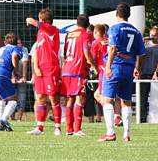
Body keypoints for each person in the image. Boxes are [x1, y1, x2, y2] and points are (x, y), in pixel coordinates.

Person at [99, 3, 145, 142]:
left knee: (107, 99)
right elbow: (142, 54)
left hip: (116, 66)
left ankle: (110, 133)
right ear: (128, 15)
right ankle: (126, 134)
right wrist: (137, 68)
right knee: (126, 101)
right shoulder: (136, 31)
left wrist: (108, 66)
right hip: (129, 68)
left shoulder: (115, 28)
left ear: (117, 14)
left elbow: (112, 49)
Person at [26, 8, 62, 136]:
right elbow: (37, 51)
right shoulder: (40, 33)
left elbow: (40, 25)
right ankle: (39, 127)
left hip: (50, 67)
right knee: (40, 97)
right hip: (40, 68)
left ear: (43, 20)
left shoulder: (53, 30)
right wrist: (36, 68)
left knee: (53, 97)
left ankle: (57, 127)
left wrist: (31, 21)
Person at [60, 15, 96, 136]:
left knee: (70, 99)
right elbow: (86, 51)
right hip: (78, 69)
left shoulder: (69, 34)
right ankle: (77, 129)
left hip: (66, 69)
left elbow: (64, 54)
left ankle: (69, 129)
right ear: (87, 24)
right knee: (81, 98)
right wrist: (94, 66)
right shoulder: (86, 35)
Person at [139, 27, 158, 122]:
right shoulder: (144, 45)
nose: (152, 37)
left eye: (154, 35)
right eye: (151, 35)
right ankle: (142, 119)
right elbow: (138, 56)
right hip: (144, 75)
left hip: (156, 76)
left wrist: (156, 72)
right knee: (142, 98)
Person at [13, 37, 29, 121]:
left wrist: (24, 77)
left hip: (21, 77)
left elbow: (25, 64)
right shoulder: (12, 50)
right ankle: (12, 118)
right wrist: (13, 76)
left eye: (20, 43)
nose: (19, 45)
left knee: (22, 99)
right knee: (12, 98)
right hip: (12, 77)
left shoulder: (24, 50)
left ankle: (19, 118)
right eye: (17, 43)